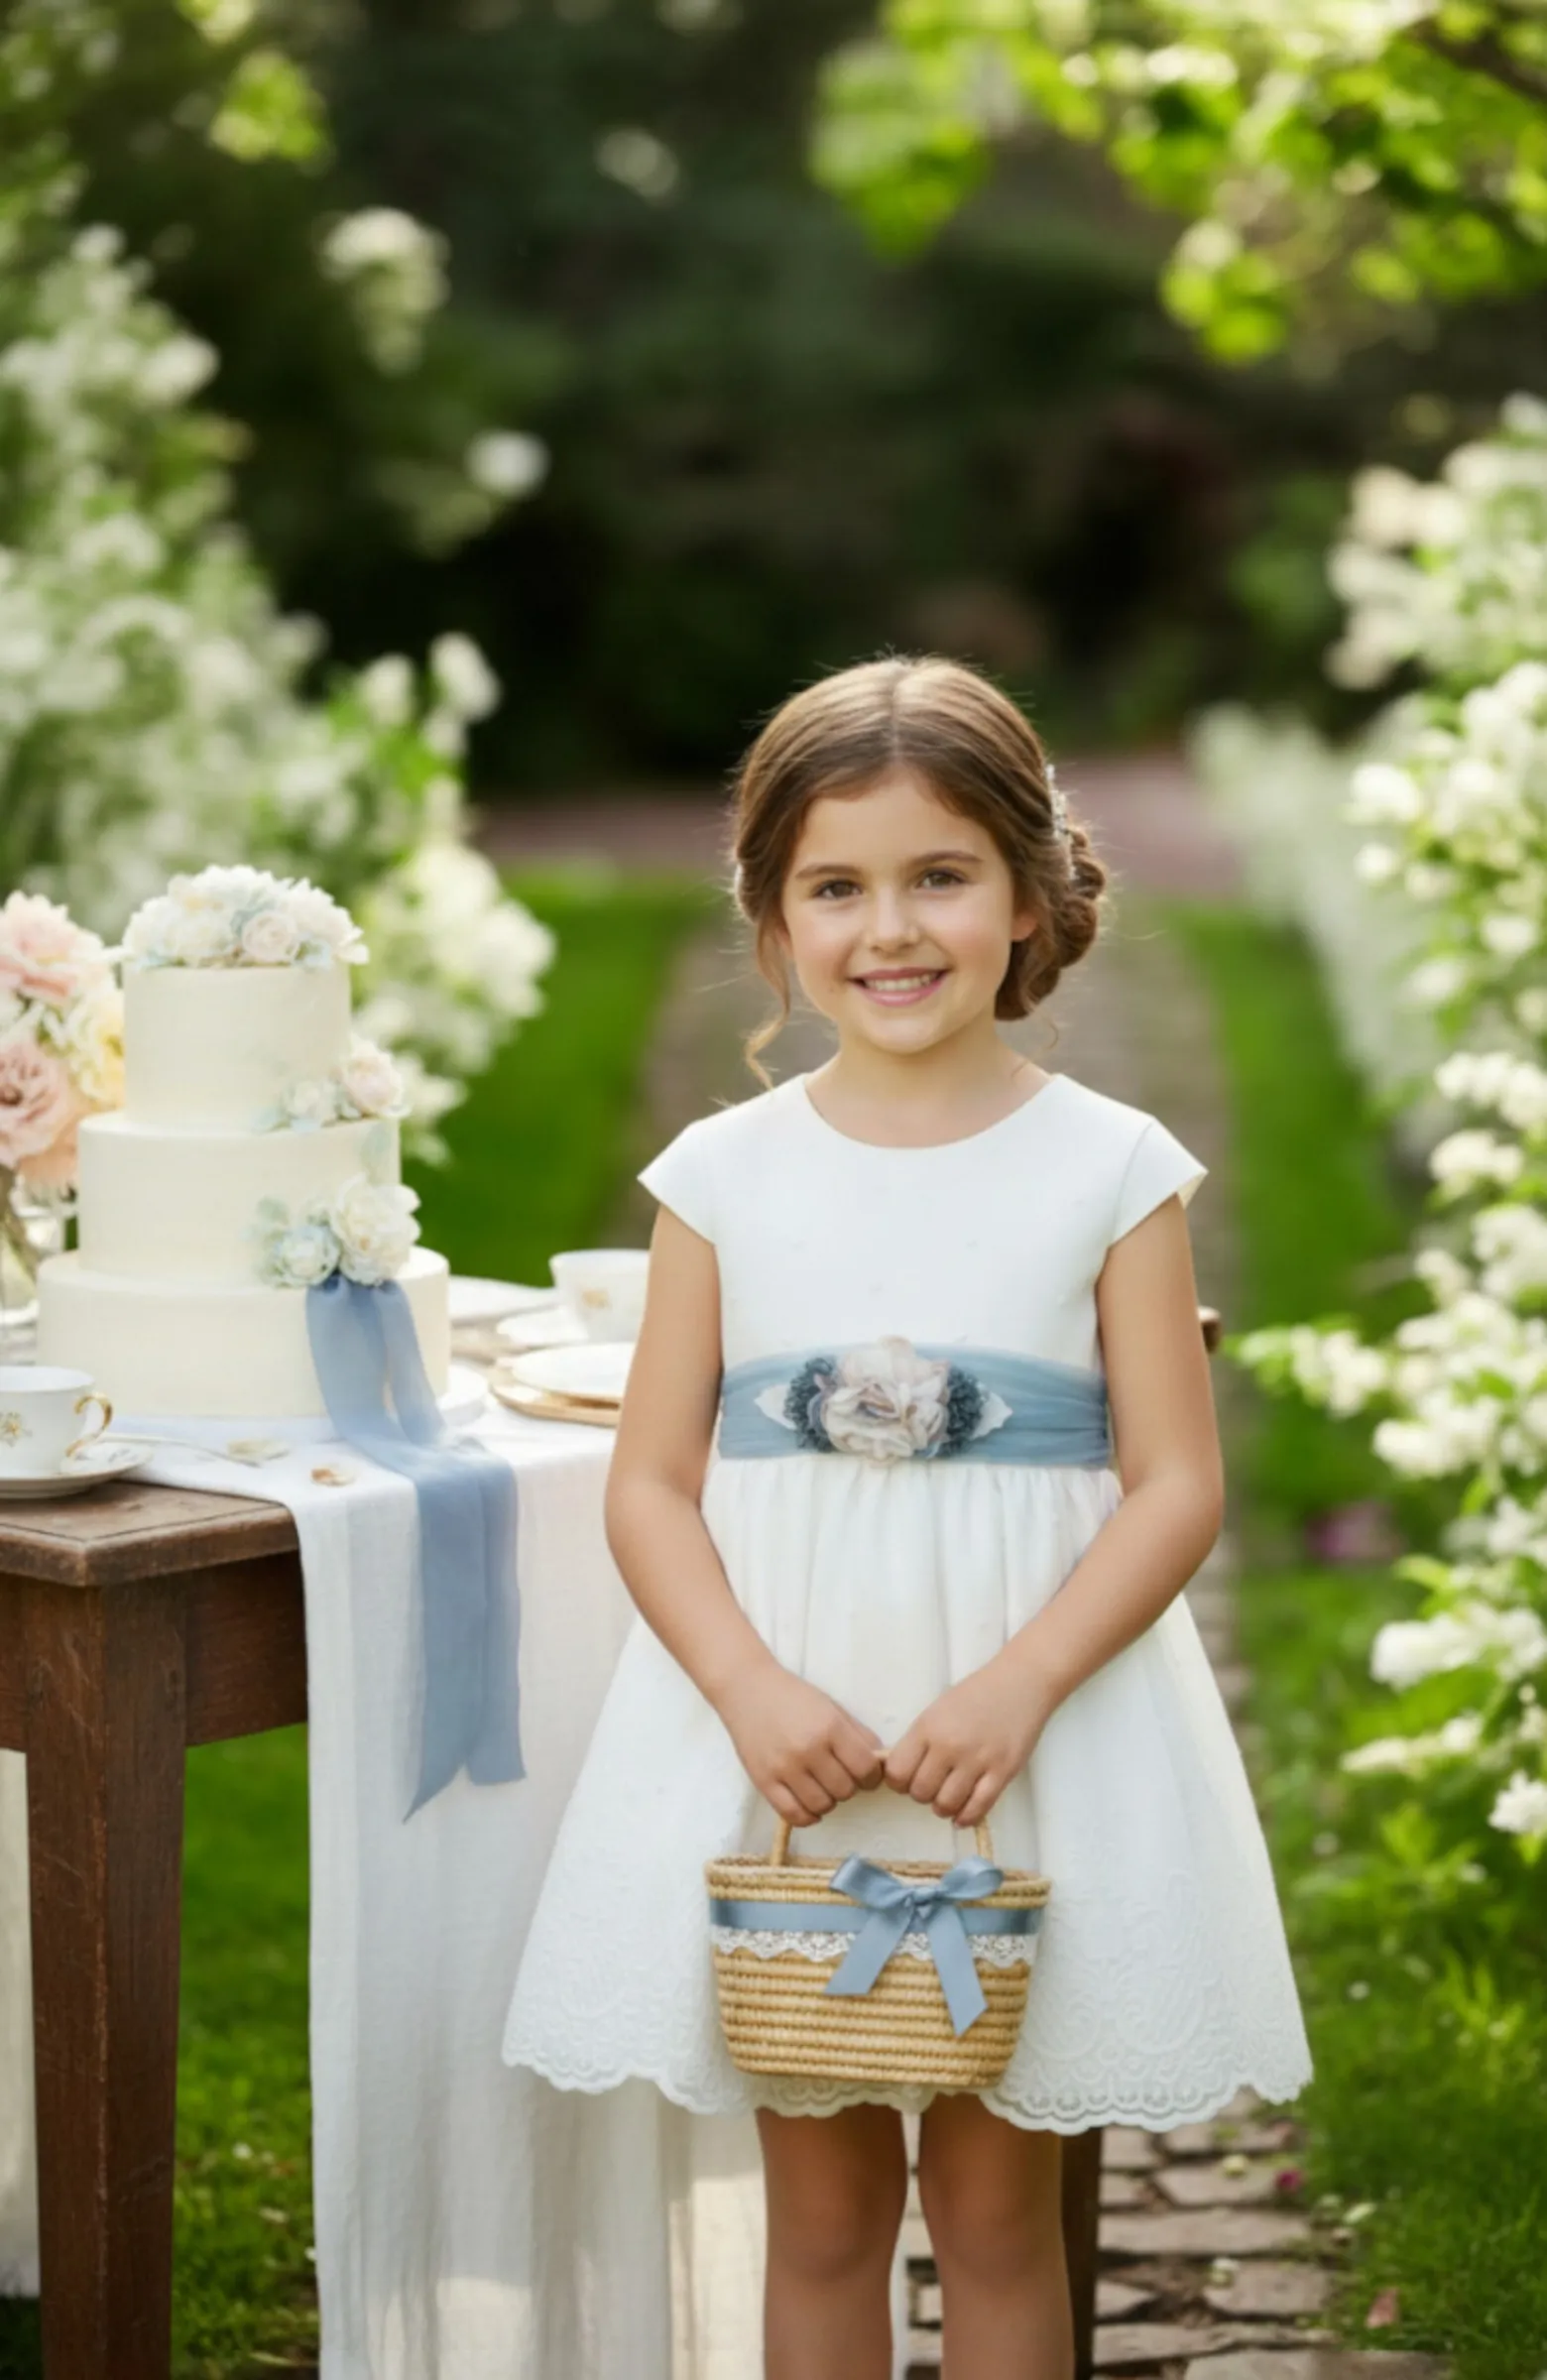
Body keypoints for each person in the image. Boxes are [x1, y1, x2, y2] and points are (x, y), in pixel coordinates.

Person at [504, 654, 1312, 2380]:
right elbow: (650, 1485)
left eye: (940, 875)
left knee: (1007, 2220)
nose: (894, 928)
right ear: (775, 917)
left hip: (1018, 1739)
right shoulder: (722, 1179)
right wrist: (749, 1692)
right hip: (799, 1748)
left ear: (1028, 891)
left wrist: (1020, 1687)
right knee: (819, 2222)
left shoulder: (1112, 1169)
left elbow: (1178, 1486)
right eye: (837, 886)